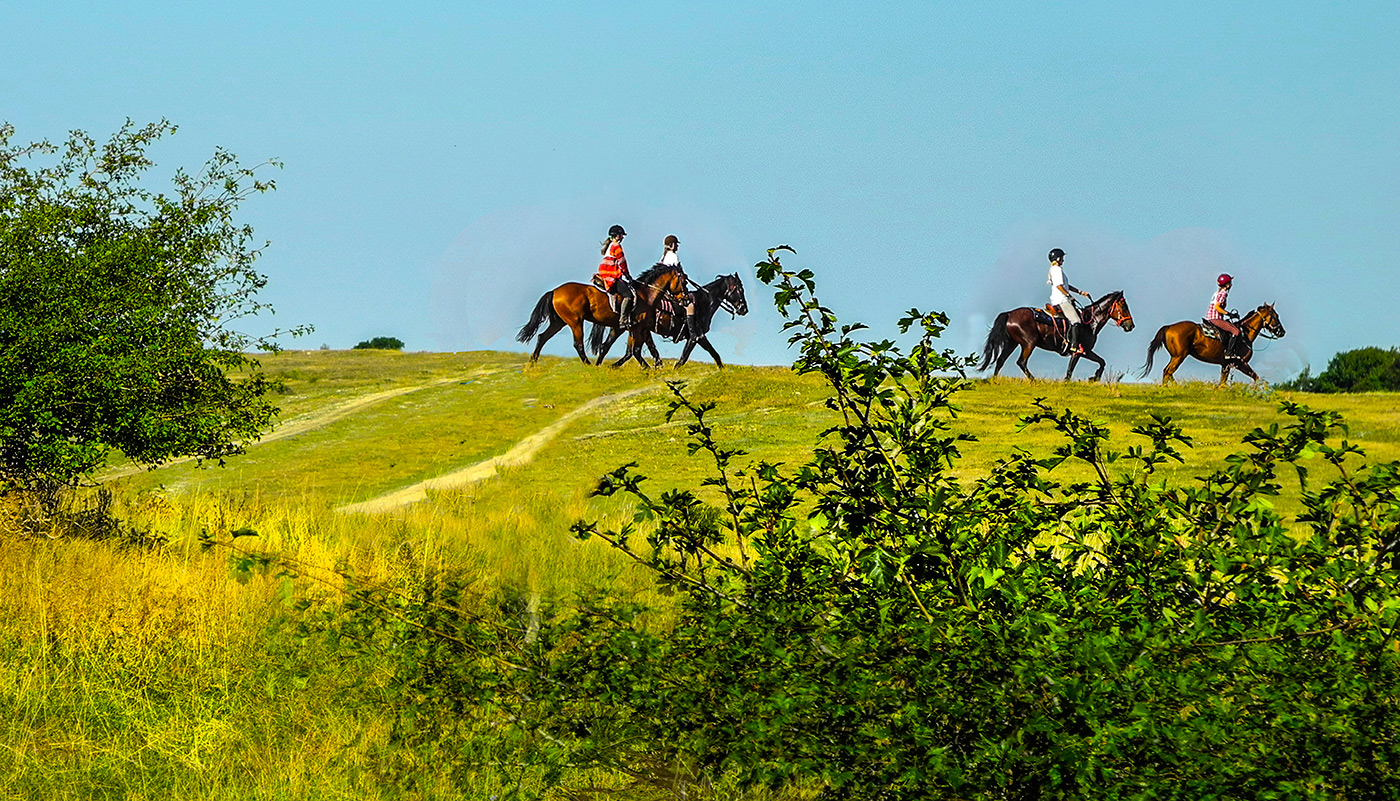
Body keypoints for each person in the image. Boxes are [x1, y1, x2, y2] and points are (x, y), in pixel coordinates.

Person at [1047, 248, 1092, 355]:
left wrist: (1080, 292)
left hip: (1060, 298)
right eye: (1062, 257)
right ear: (1058, 258)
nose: (1063, 260)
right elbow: (1059, 286)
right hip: (1061, 300)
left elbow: (1066, 286)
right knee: (1076, 320)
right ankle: (1074, 346)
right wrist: (1068, 296)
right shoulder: (1057, 269)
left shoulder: (1054, 269)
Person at [657, 234, 697, 340]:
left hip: (664, 288)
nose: (677, 247)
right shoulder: (674, 257)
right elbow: (677, 274)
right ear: (671, 245)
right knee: (690, 305)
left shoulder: (663, 257)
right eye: (676, 244)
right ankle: (692, 333)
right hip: (673, 288)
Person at [594, 224, 634, 326]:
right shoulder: (616, 246)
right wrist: (628, 275)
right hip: (611, 277)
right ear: (617, 236)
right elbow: (622, 262)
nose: (622, 237)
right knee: (628, 295)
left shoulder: (609, 246)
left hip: (604, 274)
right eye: (621, 235)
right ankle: (623, 320)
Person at [1207, 273, 1242, 359]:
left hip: (1211, 317)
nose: (1231, 285)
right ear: (1226, 285)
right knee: (1236, 332)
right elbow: (1217, 307)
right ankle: (1229, 353)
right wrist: (1229, 314)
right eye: (1230, 283)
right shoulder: (1223, 293)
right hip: (1215, 318)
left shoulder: (1217, 293)